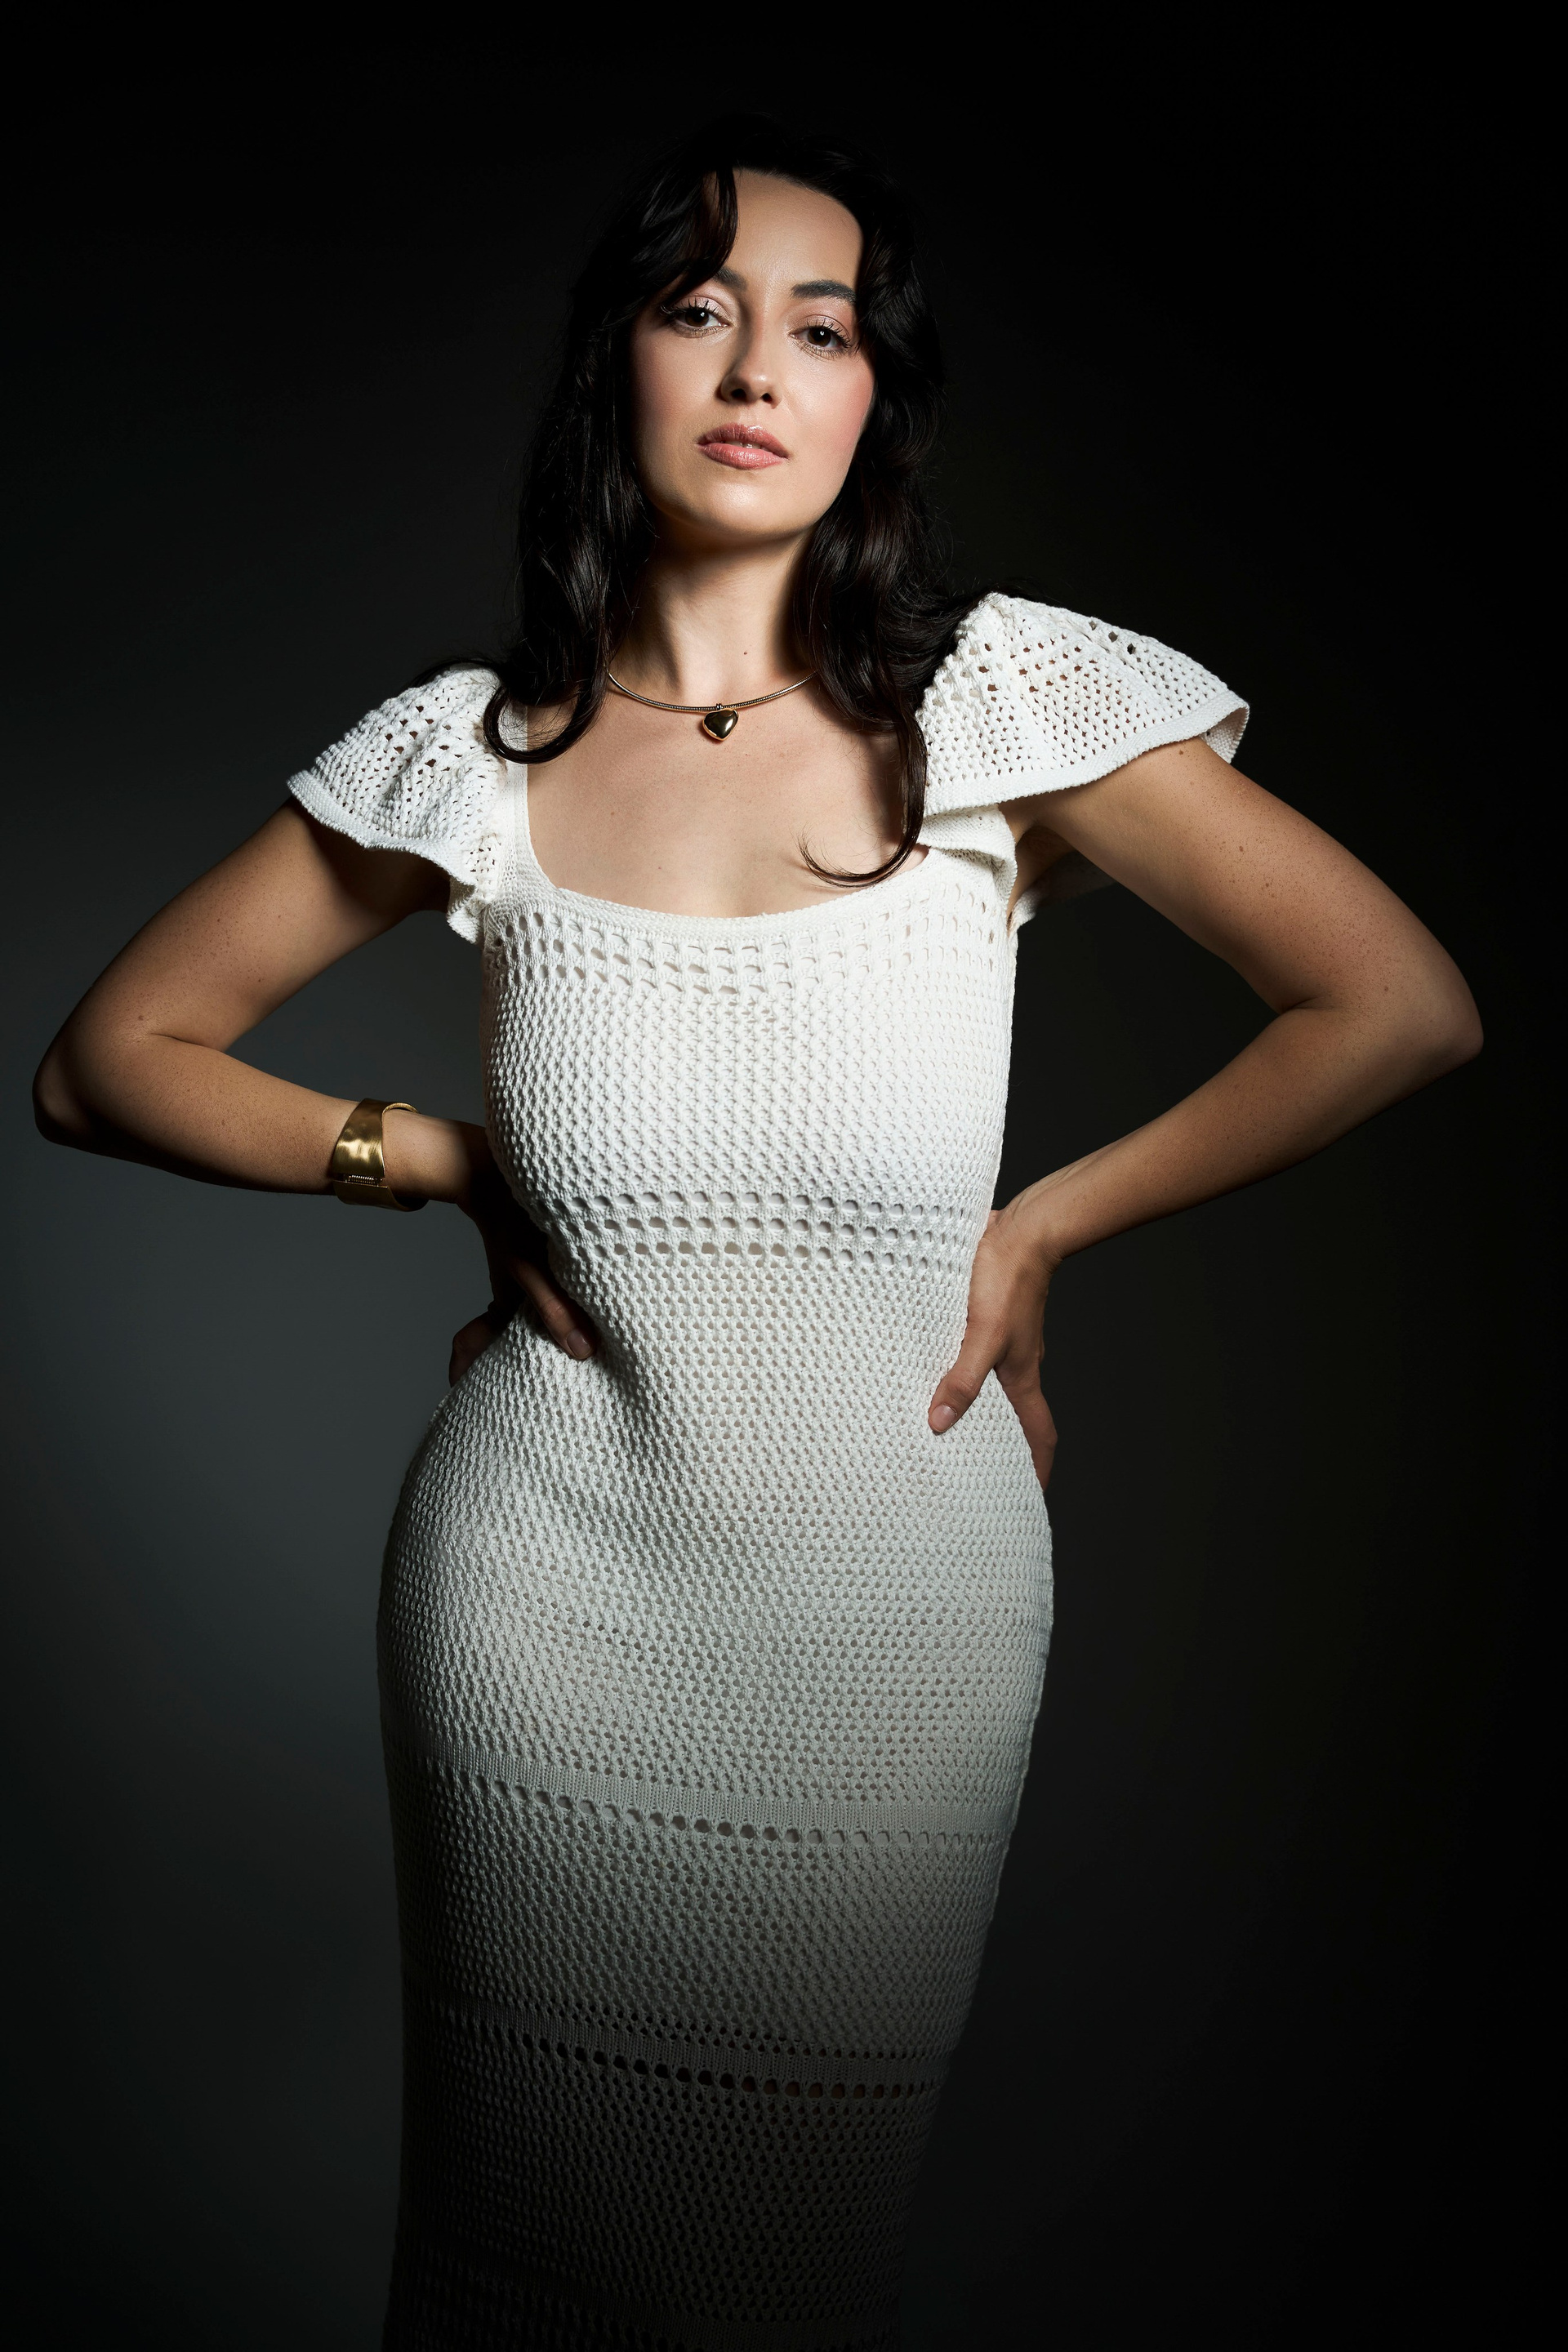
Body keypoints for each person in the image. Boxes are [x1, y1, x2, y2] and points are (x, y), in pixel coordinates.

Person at [32, 116, 1481, 2352]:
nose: (755, 368)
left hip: (904, 1617)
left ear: (876, 394)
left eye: (823, 325)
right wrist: (440, 1158)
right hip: (543, 1596)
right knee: (513, 2265)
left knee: (780, 2271)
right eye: (697, 307)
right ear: (612, 360)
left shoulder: (1001, 709)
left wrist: (1047, 1227)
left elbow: (1399, 1005)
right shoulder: (473, 755)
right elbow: (104, 1060)